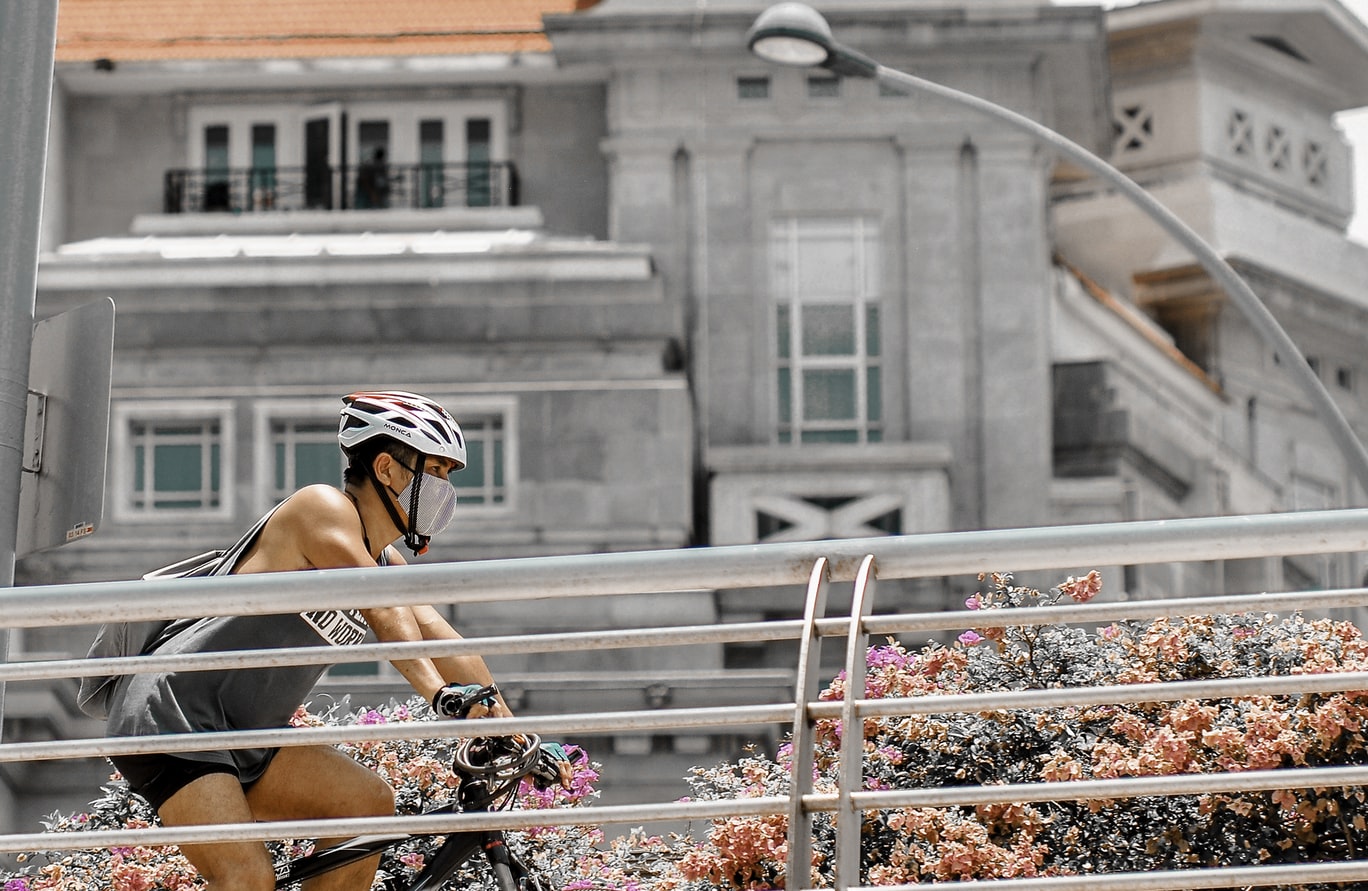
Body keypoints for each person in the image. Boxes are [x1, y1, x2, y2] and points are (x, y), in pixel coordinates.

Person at [104, 390, 570, 891]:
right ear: (388, 468)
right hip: (173, 716)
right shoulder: (319, 509)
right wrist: (438, 694)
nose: (446, 488)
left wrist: (515, 732)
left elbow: (444, 639)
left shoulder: (385, 561)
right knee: (245, 878)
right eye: (437, 470)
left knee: (365, 806)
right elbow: (380, 604)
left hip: (247, 733)